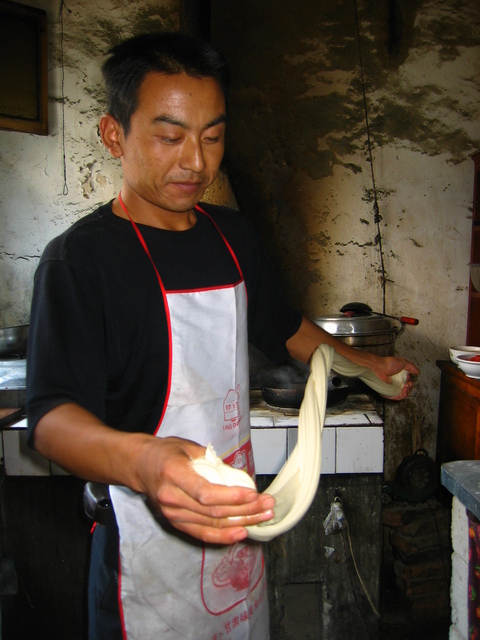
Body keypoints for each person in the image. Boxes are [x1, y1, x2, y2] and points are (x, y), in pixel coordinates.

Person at [26, 31, 419, 640]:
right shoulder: (78, 261)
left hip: (235, 522)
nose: (196, 162)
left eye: (212, 136)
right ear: (113, 135)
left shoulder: (233, 235)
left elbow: (285, 329)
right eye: (169, 136)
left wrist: (367, 365)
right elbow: (51, 419)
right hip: (143, 537)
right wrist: (148, 461)